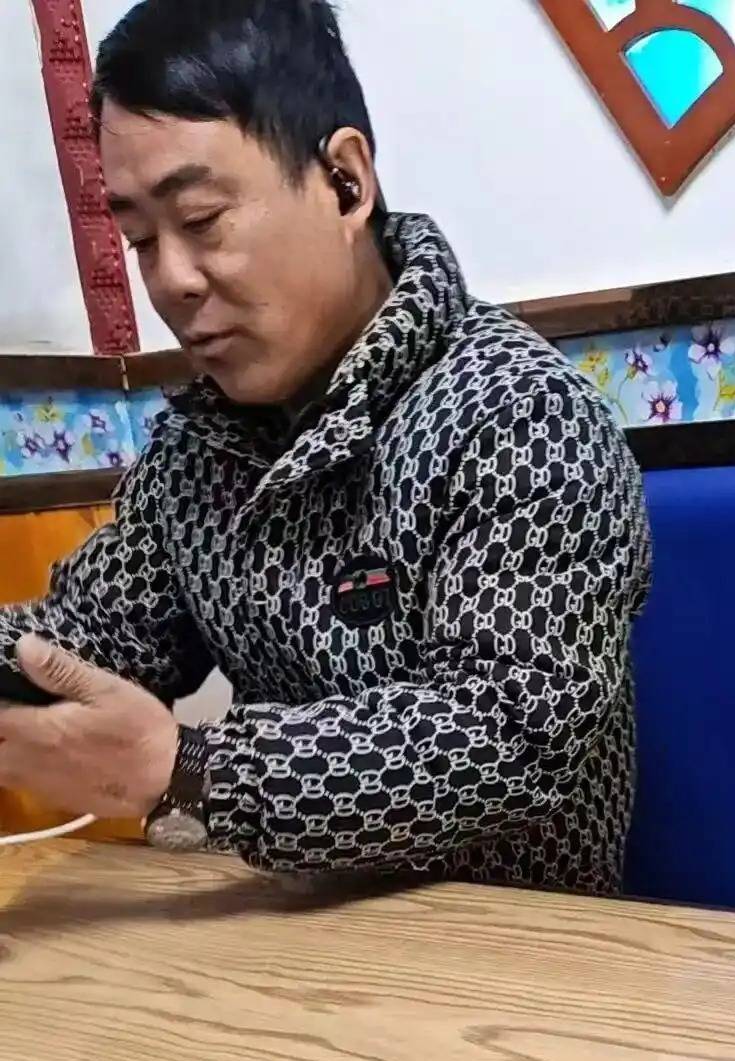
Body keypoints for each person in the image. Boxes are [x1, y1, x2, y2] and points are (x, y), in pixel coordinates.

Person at [0, 0, 650, 891]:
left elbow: (509, 732)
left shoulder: (520, 415)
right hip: (284, 930)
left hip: (519, 944)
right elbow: (89, 641)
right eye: (141, 239)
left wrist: (192, 773)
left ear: (345, 182)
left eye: (202, 219)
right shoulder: (198, 450)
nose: (171, 281)